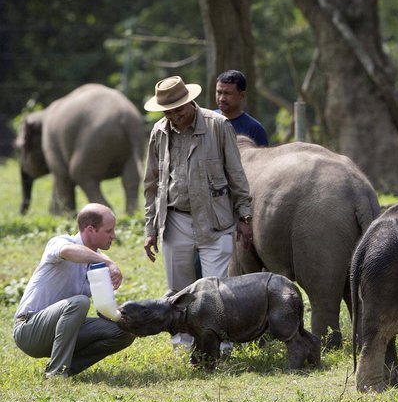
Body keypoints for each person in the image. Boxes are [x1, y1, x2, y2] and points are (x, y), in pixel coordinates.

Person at [143, 75, 254, 348]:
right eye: (168, 111)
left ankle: (221, 344)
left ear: (191, 102)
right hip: (174, 217)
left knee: (215, 288)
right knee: (179, 291)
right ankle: (183, 342)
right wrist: (150, 228)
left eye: (179, 109)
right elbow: (151, 183)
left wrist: (245, 216)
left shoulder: (218, 126)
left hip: (215, 218)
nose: (175, 116)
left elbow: (236, 175)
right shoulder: (159, 131)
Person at [13, 203, 135, 378]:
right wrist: (108, 262)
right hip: (29, 330)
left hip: (64, 331)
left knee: (124, 331)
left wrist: (129, 318)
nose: (114, 236)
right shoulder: (61, 242)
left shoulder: (98, 262)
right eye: (109, 231)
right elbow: (67, 251)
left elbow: (105, 308)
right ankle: (57, 373)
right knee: (80, 302)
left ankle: (68, 367)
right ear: (91, 230)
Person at [213, 69, 269, 146]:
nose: (221, 98)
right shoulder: (207, 120)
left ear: (241, 95)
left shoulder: (254, 129)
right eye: (219, 92)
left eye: (227, 93)